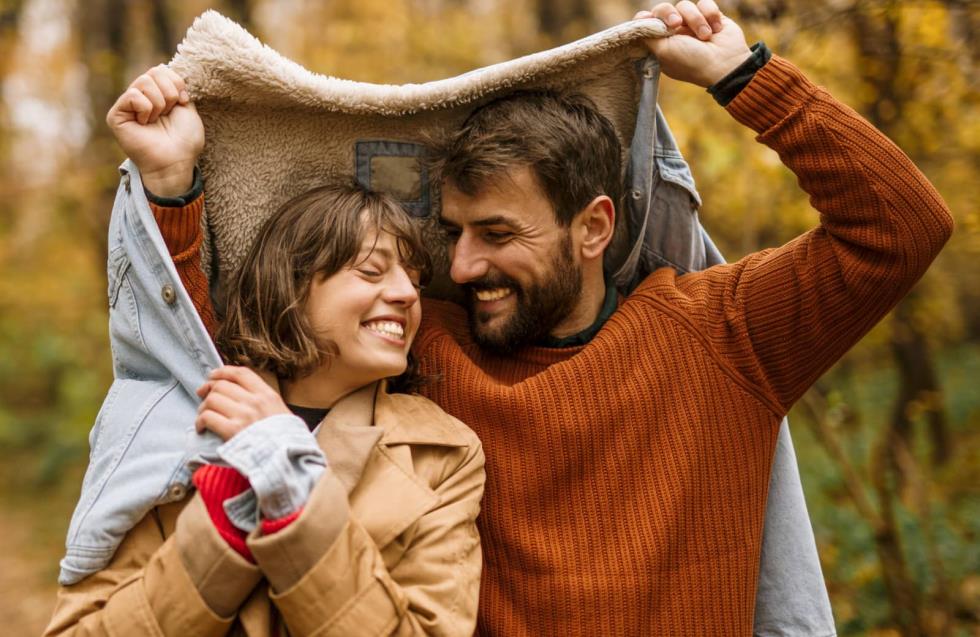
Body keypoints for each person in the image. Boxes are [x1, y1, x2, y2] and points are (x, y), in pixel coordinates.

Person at [87, 0, 954, 634]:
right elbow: (245, 343)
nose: (461, 268)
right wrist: (174, 187)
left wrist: (742, 73)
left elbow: (901, 227)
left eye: (497, 234)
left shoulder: (725, 333)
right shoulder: (434, 349)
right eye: (454, 234)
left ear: (594, 227)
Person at [44, 79, 485, 634]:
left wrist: (295, 492)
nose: (405, 293)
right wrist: (222, 531)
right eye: (371, 271)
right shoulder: (174, 422)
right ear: (291, 289)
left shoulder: (444, 454)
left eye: (415, 279)